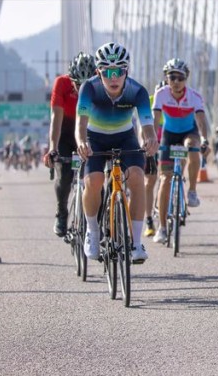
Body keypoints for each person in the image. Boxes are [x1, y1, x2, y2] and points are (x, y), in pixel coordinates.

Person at [75, 42, 158, 264]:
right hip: (95, 138)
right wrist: (82, 141)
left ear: (126, 72)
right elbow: (80, 122)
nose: (114, 78)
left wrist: (150, 138)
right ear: (98, 72)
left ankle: (136, 243)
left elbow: (146, 124)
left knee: (138, 178)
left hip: (125, 137)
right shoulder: (89, 88)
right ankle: (92, 232)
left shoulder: (137, 91)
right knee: (94, 180)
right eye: (108, 72)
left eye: (119, 71)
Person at [152, 58, 210, 244]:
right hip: (169, 135)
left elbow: (201, 121)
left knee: (192, 147)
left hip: (188, 132)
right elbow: (154, 120)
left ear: (186, 79)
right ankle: (161, 228)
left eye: (180, 77)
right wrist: (152, 141)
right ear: (166, 78)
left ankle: (192, 191)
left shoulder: (194, 96)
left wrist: (205, 139)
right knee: (165, 180)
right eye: (172, 77)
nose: (176, 81)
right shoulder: (161, 94)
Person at [44, 51, 96, 237]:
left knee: (96, 177)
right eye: (77, 85)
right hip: (66, 132)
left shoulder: (100, 86)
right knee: (65, 175)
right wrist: (53, 148)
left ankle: (97, 220)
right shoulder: (61, 83)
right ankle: (62, 213)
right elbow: (55, 118)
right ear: (70, 79)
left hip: (88, 132)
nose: (81, 90)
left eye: (86, 86)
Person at [143, 80, 167, 238]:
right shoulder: (149, 102)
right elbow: (142, 125)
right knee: (150, 181)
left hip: (167, 144)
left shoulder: (175, 102)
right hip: (151, 144)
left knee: (168, 177)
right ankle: (149, 220)